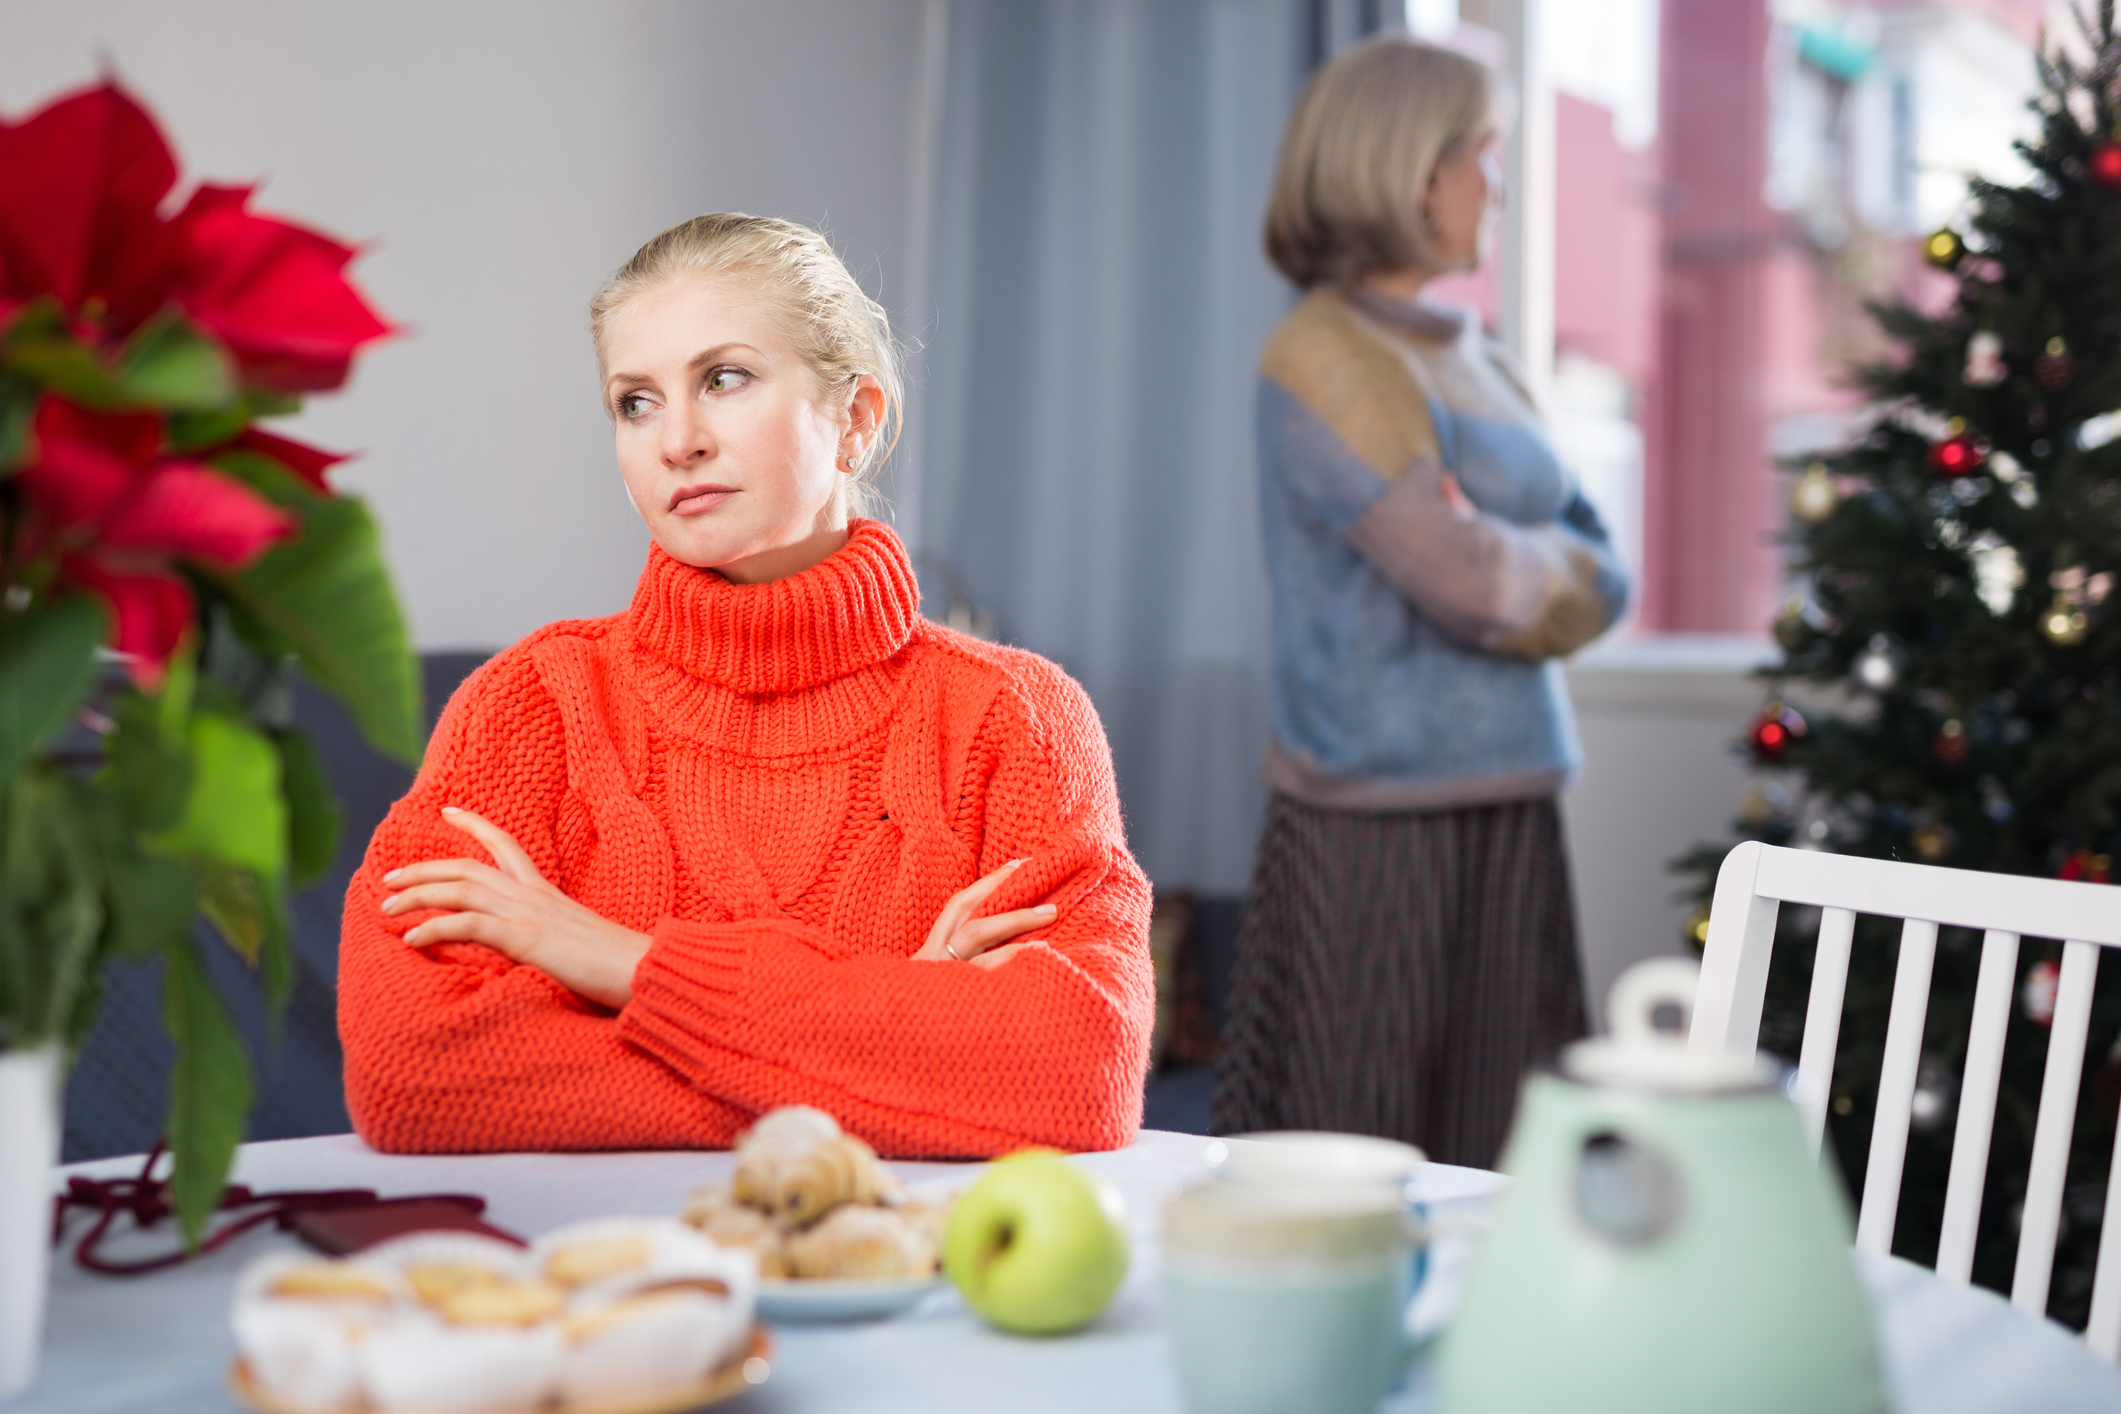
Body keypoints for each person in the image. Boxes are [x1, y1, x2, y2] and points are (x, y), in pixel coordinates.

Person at [338, 214, 1153, 1158]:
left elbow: (1081, 1071)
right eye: (634, 402)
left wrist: (621, 963)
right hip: (596, 1292)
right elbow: (411, 1072)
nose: (675, 440)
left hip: (898, 1292)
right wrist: (895, 1045)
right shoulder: (528, 707)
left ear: (854, 420)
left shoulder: (1015, 720)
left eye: (723, 380)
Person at [1210, 37, 1627, 1167]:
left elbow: (1607, 564)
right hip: (1376, 823)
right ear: (1414, 170)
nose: (1494, 182)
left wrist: (1510, 549)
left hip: (1507, 799)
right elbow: (1470, 579)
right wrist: (1524, 555)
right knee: (1358, 1157)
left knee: (1511, 1161)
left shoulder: (1471, 358)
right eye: (1478, 154)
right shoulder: (1324, 358)